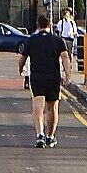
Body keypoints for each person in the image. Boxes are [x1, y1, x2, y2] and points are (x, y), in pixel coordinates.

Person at [19, 13, 70, 147]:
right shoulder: (58, 40)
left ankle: (40, 134)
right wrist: (68, 75)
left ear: (37, 25)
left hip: (37, 76)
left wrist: (21, 69)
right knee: (53, 107)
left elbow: (23, 58)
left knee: (38, 103)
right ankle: (50, 136)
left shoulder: (31, 40)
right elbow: (65, 57)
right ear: (50, 25)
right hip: (53, 77)